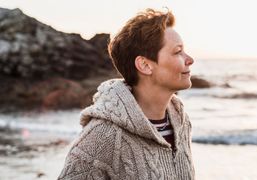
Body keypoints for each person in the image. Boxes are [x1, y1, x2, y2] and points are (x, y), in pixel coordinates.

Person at [58, 8, 195, 180]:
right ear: (145, 65)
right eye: (177, 52)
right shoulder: (102, 137)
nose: (190, 59)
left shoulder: (181, 121)